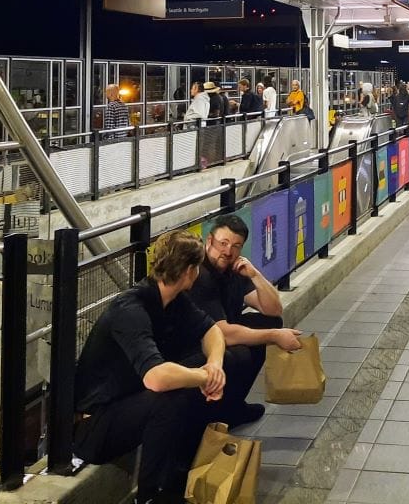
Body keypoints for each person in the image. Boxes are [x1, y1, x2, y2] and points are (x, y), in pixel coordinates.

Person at [73, 230, 226, 504]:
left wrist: (214, 366)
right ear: (191, 271)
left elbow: (212, 330)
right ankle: (148, 496)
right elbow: (156, 379)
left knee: (192, 371)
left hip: (126, 405)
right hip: (92, 427)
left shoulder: (173, 300)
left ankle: (178, 474)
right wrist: (204, 377)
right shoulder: (131, 308)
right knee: (171, 395)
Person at [187, 215, 302, 426]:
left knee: (270, 322)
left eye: (235, 246)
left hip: (221, 333)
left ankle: (233, 405)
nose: (228, 251)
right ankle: (217, 412)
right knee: (240, 354)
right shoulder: (200, 274)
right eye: (223, 243)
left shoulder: (235, 269)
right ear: (209, 241)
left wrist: (255, 275)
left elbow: (273, 309)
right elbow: (221, 332)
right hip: (193, 344)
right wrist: (275, 337)